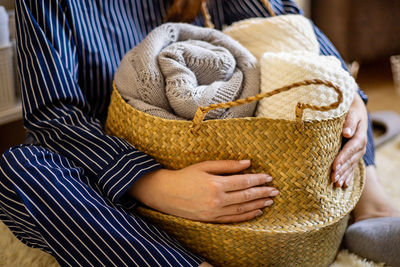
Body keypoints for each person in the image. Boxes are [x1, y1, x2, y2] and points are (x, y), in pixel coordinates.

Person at [0, 0, 398, 266]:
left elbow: (284, 21)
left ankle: (371, 201)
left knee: (323, 78)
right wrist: (153, 184)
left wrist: (348, 90)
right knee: (18, 170)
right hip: (122, 174)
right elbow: (54, 116)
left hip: (237, 141)